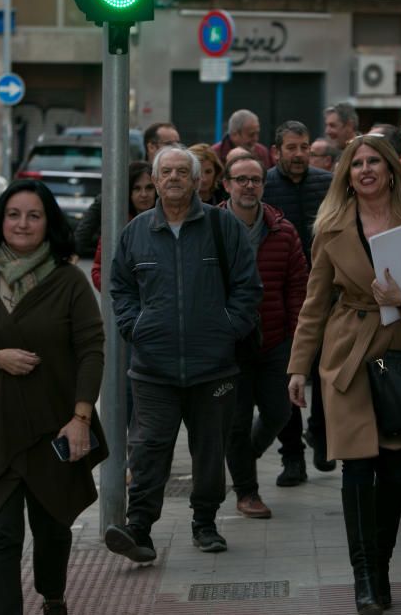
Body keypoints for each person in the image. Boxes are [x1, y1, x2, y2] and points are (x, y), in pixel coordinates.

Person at [286, 135, 401, 614]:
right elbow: (314, 304)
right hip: (349, 357)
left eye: (373, 162)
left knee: (393, 467)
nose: (365, 170)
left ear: (389, 170)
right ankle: (365, 578)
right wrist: (298, 368)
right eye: (355, 163)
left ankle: (380, 569)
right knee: (358, 466)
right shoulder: (331, 227)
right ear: (346, 174)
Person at [0, 180, 108, 615]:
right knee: (0, 533)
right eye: (14, 214)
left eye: (34, 215)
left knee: (53, 526)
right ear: (0, 220)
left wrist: (81, 417)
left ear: (49, 224)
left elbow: (91, 349)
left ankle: (53, 598)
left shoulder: (68, 281)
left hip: (54, 425)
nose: (23, 223)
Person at [105, 144, 262, 561]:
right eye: (166, 172)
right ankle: (139, 530)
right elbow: (119, 287)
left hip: (214, 368)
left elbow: (248, 286)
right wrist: (133, 326)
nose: (173, 178)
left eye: (182, 172)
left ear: (197, 181)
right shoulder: (135, 231)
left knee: (209, 450)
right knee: (148, 449)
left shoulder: (222, 226)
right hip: (152, 368)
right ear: (154, 181)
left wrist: (228, 329)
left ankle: (205, 523)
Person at [219, 153, 308, 519]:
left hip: (274, 340)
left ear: (263, 185)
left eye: (255, 179)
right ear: (226, 185)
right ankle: (246, 491)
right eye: (240, 179)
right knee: (235, 421)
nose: (248, 186)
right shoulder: (211, 228)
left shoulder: (283, 231)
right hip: (229, 345)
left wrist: (296, 338)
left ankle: (248, 454)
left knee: (279, 411)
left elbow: (298, 288)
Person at [263, 120, 334, 483]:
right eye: (291, 148)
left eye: (304, 147)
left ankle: (322, 437)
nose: (299, 154)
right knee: (288, 377)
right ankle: (292, 456)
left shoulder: (326, 184)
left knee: (326, 374)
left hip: (326, 296)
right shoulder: (266, 185)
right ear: (277, 152)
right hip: (282, 299)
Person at [90, 161, 156, 291]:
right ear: (128, 191)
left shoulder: (167, 220)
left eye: (149, 188)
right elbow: (98, 270)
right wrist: (122, 296)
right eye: (137, 188)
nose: (144, 194)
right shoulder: (117, 224)